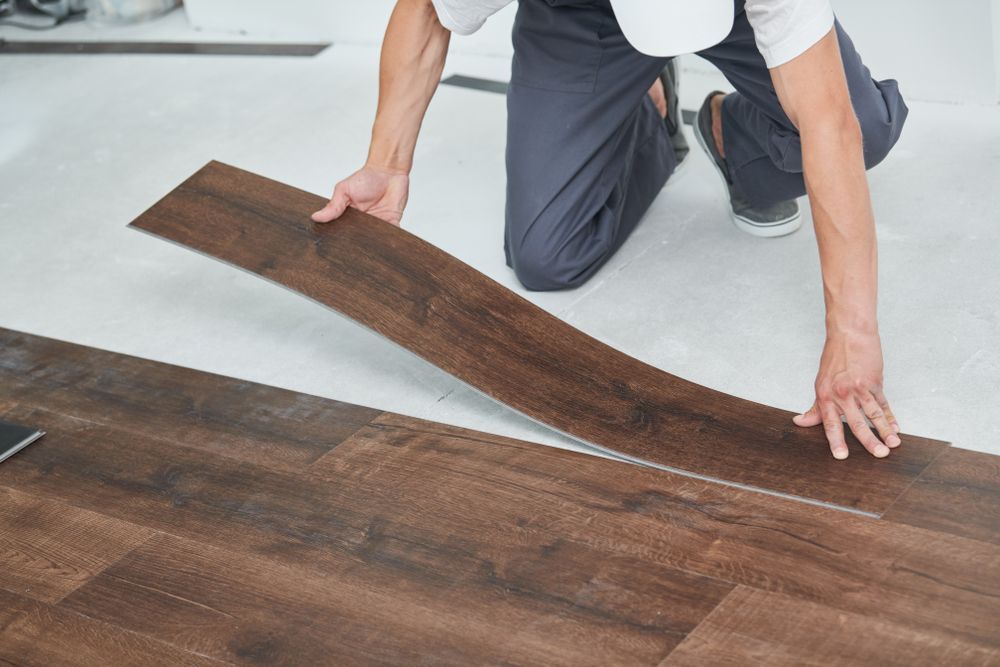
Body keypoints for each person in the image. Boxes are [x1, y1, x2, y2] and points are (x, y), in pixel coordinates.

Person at [312, 0, 909, 461]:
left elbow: (830, 122)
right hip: (579, 14)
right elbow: (426, 11)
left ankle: (734, 137)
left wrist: (853, 334)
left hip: (733, 13)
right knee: (547, 257)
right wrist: (386, 164)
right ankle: (646, 112)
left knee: (864, 129)